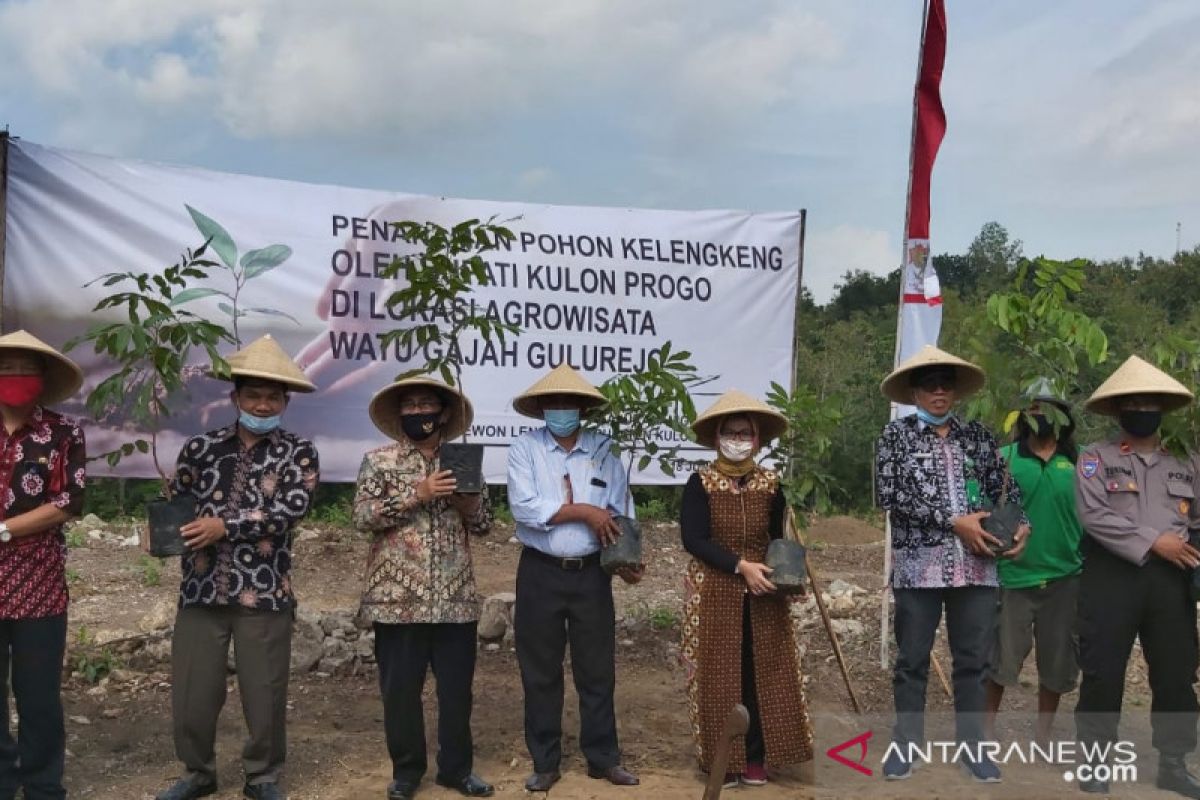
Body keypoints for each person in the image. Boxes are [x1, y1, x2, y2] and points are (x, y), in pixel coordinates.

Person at [155, 335, 320, 800]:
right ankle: (197, 772)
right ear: (236, 398)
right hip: (201, 588)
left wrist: (222, 526)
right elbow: (178, 505)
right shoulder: (200, 448)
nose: (262, 405)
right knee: (192, 691)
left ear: (285, 402)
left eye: (272, 397)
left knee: (264, 692)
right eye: (254, 396)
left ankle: (262, 775)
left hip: (264, 591)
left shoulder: (299, 453)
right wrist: (163, 527)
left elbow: (289, 509)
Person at [876, 345, 1029, 783]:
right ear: (914, 391)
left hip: (978, 567)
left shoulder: (978, 437)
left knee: (974, 661)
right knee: (912, 660)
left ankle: (973, 749)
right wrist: (951, 520)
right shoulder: (895, 438)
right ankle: (905, 747)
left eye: (946, 383)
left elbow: (1009, 493)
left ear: (956, 391)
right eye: (929, 383)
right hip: (918, 567)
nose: (939, 391)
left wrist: (1022, 527)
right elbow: (890, 496)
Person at [353, 377, 494, 800]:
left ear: (444, 413)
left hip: (455, 599)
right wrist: (418, 494)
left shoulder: (464, 462)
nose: (418, 412)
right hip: (397, 600)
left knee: (456, 692)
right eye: (410, 406)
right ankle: (407, 772)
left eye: (426, 404)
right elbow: (361, 518)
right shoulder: (379, 461)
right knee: (400, 692)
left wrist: (465, 503)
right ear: (400, 415)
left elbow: (484, 524)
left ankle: (456, 770)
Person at [506, 363, 642, 792]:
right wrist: (585, 510)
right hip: (541, 572)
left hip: (590, 577)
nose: (561, 409)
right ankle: (545, 762)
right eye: (553, 402)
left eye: (569, 403)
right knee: (540, 670)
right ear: (542, 407)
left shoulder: (605, 451)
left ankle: (603, 758)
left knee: (597, 670)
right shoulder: (524, 449)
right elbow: (525, 508)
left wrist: (626, 561)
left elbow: (620, 511)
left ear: (583, 409)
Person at [1073, 355, 1200, 797]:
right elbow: (1094, 516)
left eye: (1150, 402)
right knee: (1103, 671)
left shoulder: (1187, 460)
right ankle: (1095, 764)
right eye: (1133, 402)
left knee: (1176, 674)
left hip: (1171, 581)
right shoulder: (1094, 459)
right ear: (1119, 409)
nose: (1142, 409)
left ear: (1162, 409)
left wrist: (1185, 551)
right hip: (1112, 577)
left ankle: (1173, 762)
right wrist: (1153, 540)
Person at [679, 390, 814, 788]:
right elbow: (694, 539)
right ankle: (726, 761)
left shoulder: (772, 484)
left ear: (757, 440)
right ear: (718, 436)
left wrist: (790, 577)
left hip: (763, 591)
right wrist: (739, 566)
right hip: (713, 591)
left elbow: (778, 536)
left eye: (745, 433)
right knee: (719, 675)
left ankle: (756, 758)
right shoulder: (699, 483)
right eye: (730, 431)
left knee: (761, 674)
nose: (738, 439)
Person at [0, 331, 86, 800]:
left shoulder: (62, 432)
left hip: (39, 584)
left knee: (38, 697)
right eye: (5, 368)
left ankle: (43, 784)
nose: (14, 378)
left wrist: (4, 529)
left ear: (42, 378)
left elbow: (69, 501)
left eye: (24, 369)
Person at [984, 378, 1082, 746]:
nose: (1042, 414)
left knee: (1057, 662)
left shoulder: (1078, 461)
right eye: (1035, 407)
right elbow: (980, 503)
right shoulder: (1004, 460)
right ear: (1023, 414)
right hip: (1012, 577)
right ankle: (986, 730)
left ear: (1064, 416)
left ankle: (1043, 734)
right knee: (1001, 658)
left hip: (1066, 576)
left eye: (1050, 407)